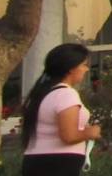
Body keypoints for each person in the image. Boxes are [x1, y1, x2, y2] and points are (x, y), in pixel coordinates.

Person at [19, 42, 103, 176]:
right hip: (59, 162)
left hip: (34, 160)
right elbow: (69, 136)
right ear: (71, 68)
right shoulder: (66, 94)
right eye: (84, 65)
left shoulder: (41, 94)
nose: (86, 69)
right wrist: (90, 132)